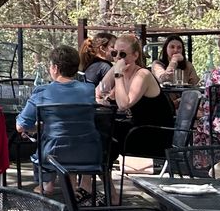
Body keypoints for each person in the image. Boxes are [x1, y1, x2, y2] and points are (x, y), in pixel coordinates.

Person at [16, 45, 100, 196]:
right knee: (68, 138)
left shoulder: (42, 92)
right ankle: (71, 193)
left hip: (53, 155)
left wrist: (37, 127)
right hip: (88, 153)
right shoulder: (89, 90)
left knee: (49, 141)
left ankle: (46, 185)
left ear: (55, 68)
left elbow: (21, 126)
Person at [96, 33, 173, 195]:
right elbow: (99, 91)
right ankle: (92, 187)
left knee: (103, 137)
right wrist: (114, 71)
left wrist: (118, 75)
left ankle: (109, 194)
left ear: (135, 55)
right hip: (135, 128)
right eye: (114, 53)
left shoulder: (142, 74)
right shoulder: (119, 69)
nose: (118, 58)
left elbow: (124, 104)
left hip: (153, 134)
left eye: (123, 54)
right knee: (96, 132)